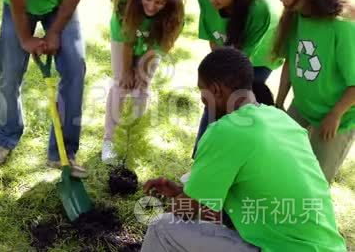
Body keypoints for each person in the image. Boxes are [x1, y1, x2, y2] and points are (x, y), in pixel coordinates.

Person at [141, 48, 346, 252]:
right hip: (325, 246)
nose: (202, 100)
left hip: (282, 247)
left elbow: (183, 212)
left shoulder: (226, 131)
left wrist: (183, 200)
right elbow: (242, 207)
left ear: (216, 91)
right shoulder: (282, 119)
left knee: (161, 228)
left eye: (202, 91)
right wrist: (185, 193)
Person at [0, 0, 109, 179]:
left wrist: (56, 31)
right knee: (9, 70)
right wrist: (24, 37)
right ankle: (6, 136)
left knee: (75, 67)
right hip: (19, 3)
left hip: (60, 3)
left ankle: (64, 152)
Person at [273, 0, 355, 184]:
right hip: (302, 106)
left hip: (337, 116)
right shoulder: (297, 16)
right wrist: (279, 102)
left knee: (315, 180)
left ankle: (308, 217)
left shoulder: (342, 24)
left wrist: (335, 114)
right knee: (277, 157)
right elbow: (291, 62)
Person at [192, 0, 282, 158]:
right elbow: (214, 39)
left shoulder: (259, 9)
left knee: (239, 108)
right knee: (213, 100)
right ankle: (200, 158)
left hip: (257, 60)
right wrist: (213, 78)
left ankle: (233, 161)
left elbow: (240, 62)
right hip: (228, 53)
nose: (212, 0)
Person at [101, 0, 185, 164]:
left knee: (142, 86)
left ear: (169, 2)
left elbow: (160, 45)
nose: (151, 6)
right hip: (124, 40)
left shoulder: (174, 15)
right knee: (122, 83)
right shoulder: (125, 0)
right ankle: (109, 141)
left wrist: (142, 71)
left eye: (159, 3)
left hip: (153, 45)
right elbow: (127, 37)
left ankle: (133, 140)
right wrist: (128, 70)